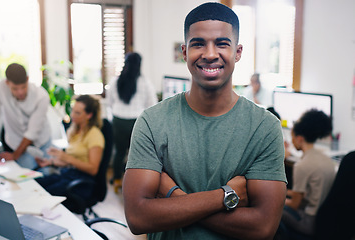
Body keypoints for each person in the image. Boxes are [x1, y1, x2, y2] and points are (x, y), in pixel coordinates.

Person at [122, 2, 287, 240]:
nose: (210, 54)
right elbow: (138, 218)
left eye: (222, 43)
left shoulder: (264, 127)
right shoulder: (152, 122)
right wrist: (226, 196)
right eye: (198, 44)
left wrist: (173, 195)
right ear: (185, 52)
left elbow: (262, 228)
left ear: (238, 52)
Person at [35, 95, 104, 203]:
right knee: (36, 184)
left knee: (43, 196)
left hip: (82, 182)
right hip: (69, 175)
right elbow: (70, 162)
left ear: (89, 115)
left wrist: (67, 158)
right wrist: (50, 162)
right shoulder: (74, 131)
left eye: (77, 113)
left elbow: (93, 169)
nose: (72, 115)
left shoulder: (94, 135)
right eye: (73, 111)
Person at [279, 109, 336, 238]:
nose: (291, 141)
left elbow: (295, 204)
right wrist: (286, 191)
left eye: (292, 137)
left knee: (271, 207)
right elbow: (309, 192)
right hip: (325, 218)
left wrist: (278, 198)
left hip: (309, 221)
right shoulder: (327, 160)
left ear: (299, 138)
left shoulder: (302, 166)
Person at [106, 52, 157, 193]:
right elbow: (152, 105)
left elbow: (109, 103)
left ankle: (117, 180)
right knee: (137, 155)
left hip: (118, 121)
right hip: (137, 122)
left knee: (119, 152)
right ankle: (135, 185)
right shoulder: (145, 82)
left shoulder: (115, 81)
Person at [0, 63, 51, 169]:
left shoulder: (41, 96)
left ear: (28, 79)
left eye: (23, 87)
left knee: (46, 174)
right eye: (15, 88)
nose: (20, 92)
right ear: (7, 83)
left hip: (41, 141)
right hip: (16, 144)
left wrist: (15, 156)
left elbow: (32, 132)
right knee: (25, 173)